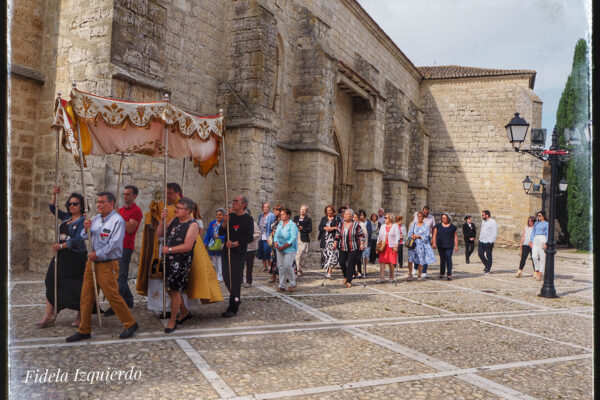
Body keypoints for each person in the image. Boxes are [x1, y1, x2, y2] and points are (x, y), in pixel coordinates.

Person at [67, 192, 138, 342]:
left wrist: (98, 254)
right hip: (91, 262)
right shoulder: (95, 219)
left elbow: (115, 244)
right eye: (97, 201)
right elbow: (84, 236)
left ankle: (130, 323)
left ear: (111, 204)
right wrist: (85, 228)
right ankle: (84, 329)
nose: (99, 204)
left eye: (102, 202)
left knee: (112, 296)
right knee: (86, 297)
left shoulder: (117, 221)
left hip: (107, 264)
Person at [37, 186, 87, 328]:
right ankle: (48, 315)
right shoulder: (66, 217)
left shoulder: (84, 221)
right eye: (70, 203)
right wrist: (54, 194)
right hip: (61, 257)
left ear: (81, 205)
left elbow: (79, 239)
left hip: (76, 258)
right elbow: (53, 208)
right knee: (50, 280)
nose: (72, 206)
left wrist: (62, 246)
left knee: (76, 286)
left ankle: (80, 315)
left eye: (75, 203)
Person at [136, 182, 182, 317]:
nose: (167, 196)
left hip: (175, 248)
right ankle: (161, 307)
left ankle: (175, 309)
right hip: (159, 247)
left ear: (177, 193)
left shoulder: (183, 207)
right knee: (158, 278)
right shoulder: (162, 207)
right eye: (166, 193)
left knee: (172, 281)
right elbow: (154, 223)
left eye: (170, 193)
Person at [157, 197, 199, 333]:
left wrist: (169, 250)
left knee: (175, 290)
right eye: (177, 207)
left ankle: (172, 321)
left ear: (188, 211)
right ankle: (185, 311)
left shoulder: (193, 225)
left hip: (180, 262)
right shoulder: (174, 220)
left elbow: (187, 246)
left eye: (180, 208)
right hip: (168, 260)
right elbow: (159, 233)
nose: (176, 210)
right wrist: (162, 220)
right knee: (169, 289)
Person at [104, 185, 142, 316]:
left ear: (134, 196)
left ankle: (116, 305)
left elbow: (130, 228)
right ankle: (128, 299)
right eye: (124, 194)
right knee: (118, 275)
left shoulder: (136, 211)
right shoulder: (119, 210)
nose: (125, 196)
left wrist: (119, 216)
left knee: (121, 275)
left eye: (128, 194)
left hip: (125, 246)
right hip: (115, 245)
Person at [219, 195, 254, 317]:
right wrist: (224, 222)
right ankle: (236, 297)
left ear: (243, 204)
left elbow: (249, 237)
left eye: (236, 201)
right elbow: (221, 232)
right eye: (233, 201)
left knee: (235, 279)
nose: (233, 203)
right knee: (226, 276)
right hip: (227, 252)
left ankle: (233, 306)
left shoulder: (248, 219)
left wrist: (234, 243)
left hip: (238, 253)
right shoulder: (230, 217)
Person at [333, 208, 365, 288]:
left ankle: (349, 280)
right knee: (342, 262)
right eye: (345, 214)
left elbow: (361, 235)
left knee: (351, 263)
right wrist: (335, 243)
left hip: (353, 247)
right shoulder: (341, 224)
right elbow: (337, 235)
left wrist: (361, 244)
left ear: (351, 216)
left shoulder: (356, 225)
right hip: (342, 246)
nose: (345, 215)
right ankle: (345, 275)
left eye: (347, 214)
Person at [274, 207, 299, 292]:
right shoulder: (280, 224)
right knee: (281, 267)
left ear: (288, 215)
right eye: (281, 214)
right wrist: (276, 242)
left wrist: (284, 246)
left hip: (290, 248)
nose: (281, 216)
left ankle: (293, 283)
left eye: (283, 214)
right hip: (279, 248)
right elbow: (276, 234)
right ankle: (282, 285)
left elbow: (293, 238)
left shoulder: (292, 225)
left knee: (287, 265)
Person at [407, 211, 437, 282]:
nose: (419, 218)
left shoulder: (425, 226)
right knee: (410, 260)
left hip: (421, 245)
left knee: (421, 260)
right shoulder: (413, 224)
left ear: (423, 218)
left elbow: (426, 236)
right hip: (413, 245)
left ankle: (419, 275)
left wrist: (419, 236)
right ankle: (410, 274)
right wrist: (412, 236)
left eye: (420, 216)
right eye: (418, 216)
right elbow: (409, 234)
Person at [432, 213, 459, 280]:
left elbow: (455, 236)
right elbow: (434, 235)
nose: (443, 219)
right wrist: (434, 243)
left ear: (448, 219)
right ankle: (442, 273)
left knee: (448, 259)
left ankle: (449, 274)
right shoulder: (438, 226)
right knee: (442, 259)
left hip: (449, 245)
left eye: (445, 218)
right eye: (442, 218)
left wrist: (456, 245)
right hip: (440, 245)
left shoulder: (452, 227)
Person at [376, 213, 401, 283]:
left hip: (391, 246)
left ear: (390, 218)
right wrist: (377, 247)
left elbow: (397, 236)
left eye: (386, 218)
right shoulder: (383, 226)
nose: (384, 219)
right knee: (382, 262)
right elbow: (379, 236)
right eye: (384, 217)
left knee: (391, 262)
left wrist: (396, 246)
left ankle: (391, 276)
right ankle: (382, 277)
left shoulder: (395, 226)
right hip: (383, 246)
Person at [204, 208, 226, 282]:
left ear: (223, 215)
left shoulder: (224, 223)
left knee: (220, 260)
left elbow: (226, 234)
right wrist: (205, 242)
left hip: (220, 243)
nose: (218, 216)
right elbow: (208, 233)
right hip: (212, 243)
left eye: (220, 215)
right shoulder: (213, 223)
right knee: (214, 260)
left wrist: (219, 237)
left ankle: (220, 276)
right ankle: (217, 274)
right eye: (217, 215)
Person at [318, 205, 339, 279]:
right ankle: (327, 271)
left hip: (332, 239)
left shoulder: (337, 219)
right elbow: (320, 227)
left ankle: (329, 272)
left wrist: (332, 228)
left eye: (330, 210)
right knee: (325, 255)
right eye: (327, 210)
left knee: (332, 255)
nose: (328, 212)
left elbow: (338, 228)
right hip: (325, 239)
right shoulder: (324, 219)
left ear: (333, 211)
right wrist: (325, 228)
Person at [293, 204, 312, 277]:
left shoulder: (308, 219)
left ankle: (300, 268)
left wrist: (302, 228)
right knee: (297, 255)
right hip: (296, 237)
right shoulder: (296, 217)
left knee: (302, 254)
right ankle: (298, 270)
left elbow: (310, 229)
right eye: (301, 209)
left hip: (304, 238)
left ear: (306, 211)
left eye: (304, 209)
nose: (302, 211)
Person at [530, 211, 549, 281]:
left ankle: (540, 274)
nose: (538, 217)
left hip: (542, 239)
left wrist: (546, 242)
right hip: (535, 239)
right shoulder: (536, 223)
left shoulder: (547, 224)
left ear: (543, 216)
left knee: (542, 257)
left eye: (540, 215)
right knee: (534, 256)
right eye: (538, 216)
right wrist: (531, 240)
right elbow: (533, 232)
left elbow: (548, 233)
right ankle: (537, 270)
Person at [244, 212, 261, 288]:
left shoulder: (252, 223)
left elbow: (258, 233)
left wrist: (251, 237)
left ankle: (248, 281)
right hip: (241, 247)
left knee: (249, 266)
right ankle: (240, 280)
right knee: (240, 265)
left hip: (251, 247)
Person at [257, 203, 276, 272]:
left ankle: (270, 266)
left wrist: (271, 235)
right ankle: (264, 266)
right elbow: (259, 224)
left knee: (268, 252)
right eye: (264, 207)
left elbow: (273, 225)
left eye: (266, 207)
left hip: (268, 236)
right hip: (261, 236)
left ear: (269, 208)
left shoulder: (272, 216)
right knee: (262, 252)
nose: (265, 208)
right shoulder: (261, 216)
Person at [268, 204, 283, 283]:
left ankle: (281, 276)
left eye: (276, 211)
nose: (274, 212)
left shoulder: (282, 220)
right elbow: (272, 230)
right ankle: (273, 275)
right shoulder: (275, 220)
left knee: (279, 260)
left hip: (280, 242)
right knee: (273, 259)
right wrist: (270, 236)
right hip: (274, 242)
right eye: (274, 210)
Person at [357, 209, 371, 278]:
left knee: (365, 257)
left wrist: (368, 242)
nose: (361, 217)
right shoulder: (358, 223)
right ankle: (358, 270)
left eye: (362, 215)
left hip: (366, 242)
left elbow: (369, 232)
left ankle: (364, 270)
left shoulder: (368, 222)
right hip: (359, 242)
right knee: (358, 257)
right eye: (360, 215)